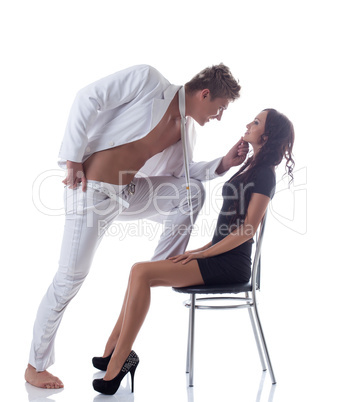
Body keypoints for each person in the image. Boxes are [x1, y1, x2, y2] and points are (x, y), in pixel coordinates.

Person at [25, 63, 248, 389]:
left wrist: (224, 163)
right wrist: (73, 158)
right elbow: (88, 98)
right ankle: (35, 365)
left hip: (126, 194)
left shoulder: (186, 130)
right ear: (205, 94)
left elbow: (182, 175)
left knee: (191, 192)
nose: (219, 116)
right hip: (90, 193)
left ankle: (157, 269)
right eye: (221, 108)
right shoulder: (148, 81)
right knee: (68, 280)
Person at [91, 108, 295, 395]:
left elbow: (248, 230)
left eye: (256, 122)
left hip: (230, 265)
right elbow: (226, 229)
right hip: (218, 257)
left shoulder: (265, 175)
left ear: (268, 135)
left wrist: (203, 255)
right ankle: (113, 352)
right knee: (140, 271)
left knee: (141, 271)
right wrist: (200, 250)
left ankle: (118, 363)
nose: (248, 123)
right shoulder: (251, 167)